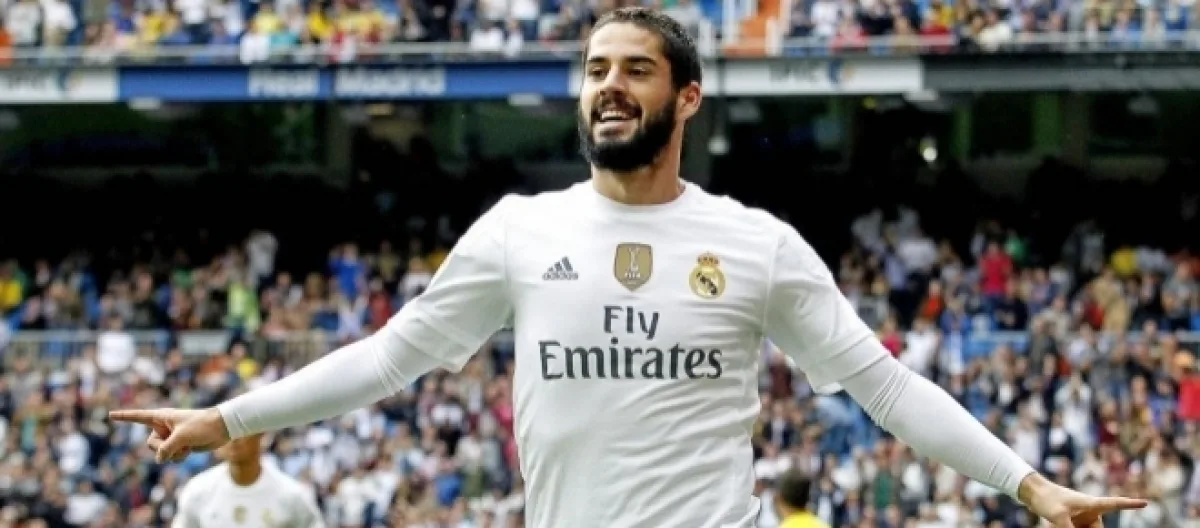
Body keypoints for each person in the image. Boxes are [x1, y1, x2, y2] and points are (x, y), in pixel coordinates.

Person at [112, 7, 1146, 528]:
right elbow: (389, 359)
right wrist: (230, 418)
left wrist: (1028, 486)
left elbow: (883, 387)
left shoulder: (755, 242)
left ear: (686, 98)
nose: (609, 85)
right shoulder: (518, 231)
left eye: (636, 70)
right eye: (596, 69)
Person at [170, 433, 325, 528]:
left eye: (241, 429)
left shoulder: (292, 495)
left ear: (261, 435)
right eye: (227, 431)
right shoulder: (197, 491)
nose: (234, 439)